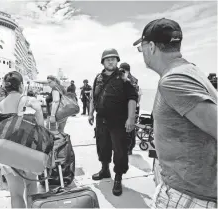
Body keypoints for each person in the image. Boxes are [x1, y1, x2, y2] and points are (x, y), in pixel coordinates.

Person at [133, 18, 217, 208]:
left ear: (152, 47)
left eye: (142, 47)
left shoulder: (174, 80)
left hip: (189, 195)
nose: (142, 53)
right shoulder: (190, 70)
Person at [88, 48, 138, 196]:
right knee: (102, 145)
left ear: (117, 61)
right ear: (103, 62)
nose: (110, 61)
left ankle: (118, 177)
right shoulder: (98, 77)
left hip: (118, 120)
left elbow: (132, 98)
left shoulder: (124, 77)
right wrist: (90, 113)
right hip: (101, 119)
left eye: (113, 59)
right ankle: (105, 170)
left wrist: (130, 118)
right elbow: (93, 97)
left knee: (120, 150)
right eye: (107, 59)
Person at [0, 71, 44, 208]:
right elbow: (41, 127)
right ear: (21, 85)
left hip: (8, 155)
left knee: (15, 194)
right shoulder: (31, 101)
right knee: (31, 189)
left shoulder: (0, 105)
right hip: (29, 152)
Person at [120, 62, 141, 155]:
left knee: (130, 128)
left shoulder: (131, 80)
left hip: (130, 107)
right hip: (130, 107)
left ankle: (129, 148)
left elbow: (135, 95)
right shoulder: (126, 79)